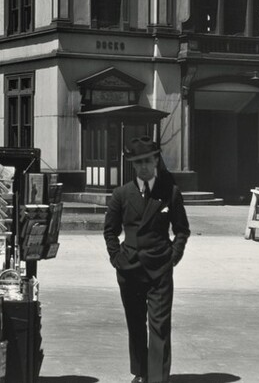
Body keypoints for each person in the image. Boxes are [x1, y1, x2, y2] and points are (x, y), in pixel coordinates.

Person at [103, 136, 191, 383]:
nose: (143, 166)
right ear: (132, 164)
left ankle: (156, 378)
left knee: (160, 326)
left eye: (147, 161)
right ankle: (141, 372)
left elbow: (182, 229)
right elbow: (110, 230)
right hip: (129, 268)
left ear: (155, 160)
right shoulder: (121, 194)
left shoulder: (170, 193)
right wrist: (115, 257)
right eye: (138, 162)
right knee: (135, 325)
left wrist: (173, 257)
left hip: (159, 270)